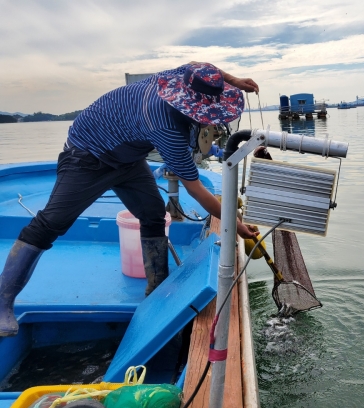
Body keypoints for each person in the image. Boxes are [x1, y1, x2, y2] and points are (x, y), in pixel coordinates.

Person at [0, 62, 259, 337]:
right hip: (88, 154)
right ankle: (3, 301)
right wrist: (236, 222)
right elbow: (195, 189)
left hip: (129, 156)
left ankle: (156, 288)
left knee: (153, 214)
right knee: (51, 222)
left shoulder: (180, 77)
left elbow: (205, 68)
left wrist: (235, 80)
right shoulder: (165, 126)